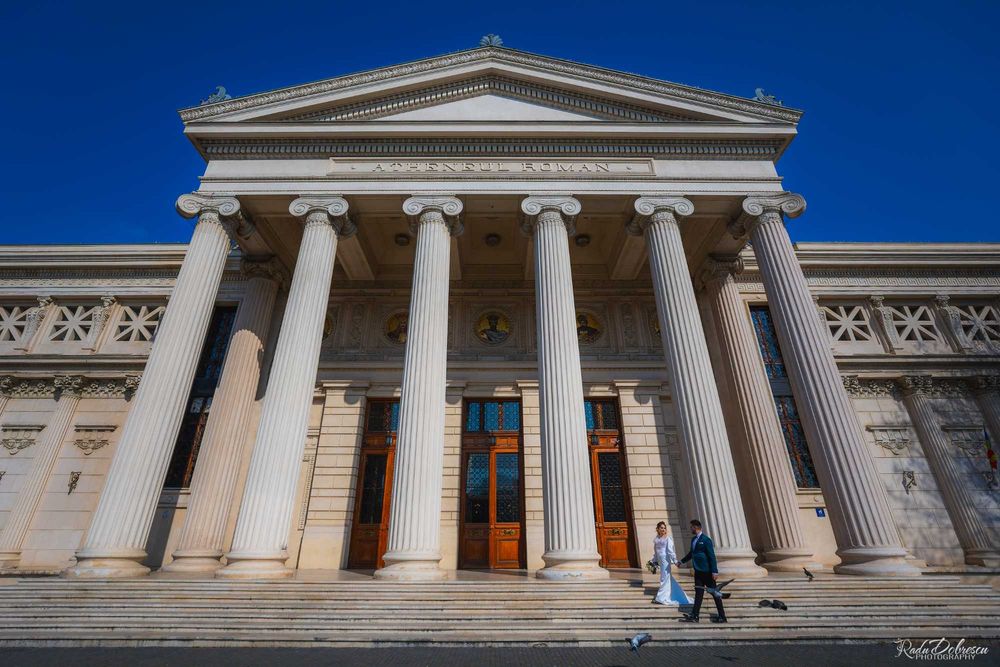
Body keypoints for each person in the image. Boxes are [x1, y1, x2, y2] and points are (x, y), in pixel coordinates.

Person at [678, 519, 726, 623]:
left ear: (695, 527)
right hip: (698, 572)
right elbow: (691, 554)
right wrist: (681, 562)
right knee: (698, 593)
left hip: (707, 572)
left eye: (691, 527)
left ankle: (722, 616)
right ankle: (695, 616)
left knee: (715, 593)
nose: (690, 529)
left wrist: (714, 571)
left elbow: (711, 556)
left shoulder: (706, 540)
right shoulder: (693, 540)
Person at [651, 521, 691, 607]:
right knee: (666, 578)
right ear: (657, 529)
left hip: (665, 561)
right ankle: (670, 595)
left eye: (664, 528)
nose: (663, 529)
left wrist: (675, 561)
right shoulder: (656, 539)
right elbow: (656, 552)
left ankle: (661, 598)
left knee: (664, 578)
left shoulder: (667, 538)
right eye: (661, 528)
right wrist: (653, 561)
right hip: (660, 561)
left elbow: (670, 551)